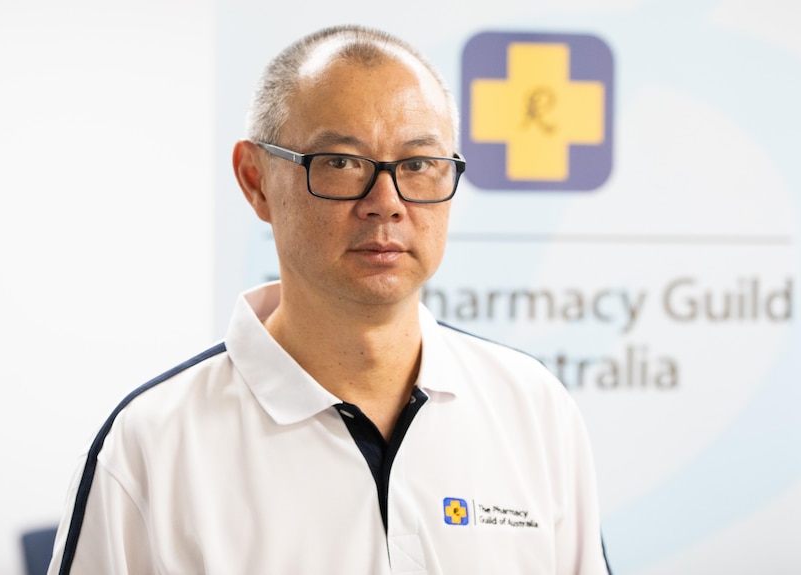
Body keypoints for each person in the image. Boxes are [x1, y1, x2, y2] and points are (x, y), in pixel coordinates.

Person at [48, 24, 611, 575]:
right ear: (255, 180)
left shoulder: (533, 408)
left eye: (417, 164)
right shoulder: (153, 445)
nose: (386, 203)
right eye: (342, 163)